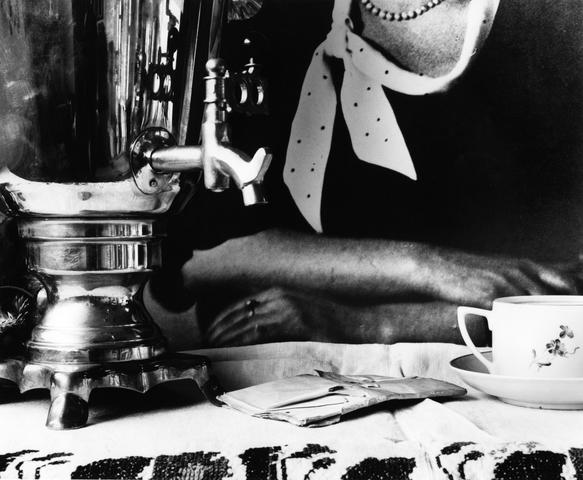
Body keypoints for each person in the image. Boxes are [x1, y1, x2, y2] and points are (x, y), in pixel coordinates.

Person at [150, 0, 583, 348]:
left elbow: (564, 288)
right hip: (278, 383)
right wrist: (425, 266)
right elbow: (193, 256)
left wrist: (367, 324)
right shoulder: (259, 18)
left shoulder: (557, 21)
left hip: (511, 383)